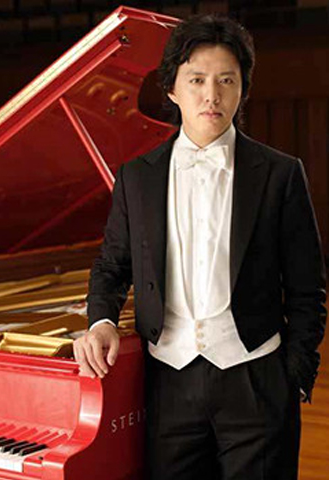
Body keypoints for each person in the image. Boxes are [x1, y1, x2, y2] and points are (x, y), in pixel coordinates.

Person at [73, 13, 326, 480]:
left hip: (257, 380)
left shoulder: (281, 174)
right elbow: (112, 265)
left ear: (242, 89)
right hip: (168, 384)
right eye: (197, 80)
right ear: (171, 88)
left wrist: (293, 377)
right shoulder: (137, 177)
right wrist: (102, 320)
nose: (212, 95)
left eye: (226, 80)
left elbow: (308, 288)